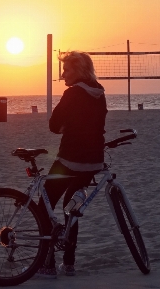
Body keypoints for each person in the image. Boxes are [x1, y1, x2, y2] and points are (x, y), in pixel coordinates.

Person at [36, 51, 108, 278]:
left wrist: (67, 127)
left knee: (44, 208)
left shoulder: (72, 94)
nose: (62, 74)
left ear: (77, 70)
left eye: (66, 70)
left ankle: (47, 263)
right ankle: (69, 264)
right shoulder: (100, 93)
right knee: (71, 209)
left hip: (69, 160)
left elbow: (53, 125)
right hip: (93, 162)